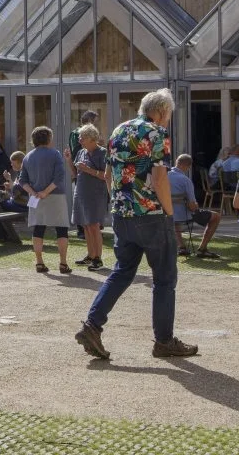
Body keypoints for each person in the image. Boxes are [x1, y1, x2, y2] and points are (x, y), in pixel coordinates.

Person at [75, 88, 197, 361]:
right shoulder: (157, 133)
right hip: (152, 215)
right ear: (162, 111)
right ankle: (164, 341)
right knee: (164, 279)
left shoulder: (119, 130)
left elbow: (108, 175)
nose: (167, 121)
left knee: (122, 272)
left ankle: (92, 325)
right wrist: (168, 213)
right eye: (168, 116)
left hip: (122, 213)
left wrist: (119, 203)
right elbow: (159, 179)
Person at [19, 126, 71, 274]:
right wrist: (45, 192)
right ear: (48, 138)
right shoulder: (55, 154)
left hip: (36, 198)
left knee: (38, 229)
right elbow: (59, 178)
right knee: (61, 229)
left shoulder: (28, 156)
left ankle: (39, 262)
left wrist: (35, 193)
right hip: (55, 196)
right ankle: (63, 263)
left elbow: (22, 180)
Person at [168, 154, 222, 259]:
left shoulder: (165, 176)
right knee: (216, 216)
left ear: (176, 162)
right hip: (186, 215)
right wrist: (196, 206)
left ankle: (181, 246)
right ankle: (202, 248)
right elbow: (192, 206)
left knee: (174, 216)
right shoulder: (185, 180)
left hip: (168, 214)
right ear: (188, 166)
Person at [71, 124, 109, 271]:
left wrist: (87, 169)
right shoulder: (81, 152)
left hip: (95, 195)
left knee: (94, 226)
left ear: (92, 138)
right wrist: (69, 160)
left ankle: (98, 259)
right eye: (80, 137)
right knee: (85, 225)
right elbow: (76, 173)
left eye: (83, 137)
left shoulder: (102, 153)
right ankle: (91, 255)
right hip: (81, 192)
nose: (80, 140)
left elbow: (105, 176)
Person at [66, 110, 100, 239]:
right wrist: (74, 171)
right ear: (90, 121)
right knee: (81, 200)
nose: (97, 124)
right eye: (96, 121)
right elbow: (76, 153)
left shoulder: (90, 135)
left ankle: (93, 226)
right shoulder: (76, 134)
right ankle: (82, 229)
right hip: (82, 170)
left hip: (91, 171)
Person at [0, 152, 30, 242]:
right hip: (18, 203)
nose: (11, 165)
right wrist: (10, 184)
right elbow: (15, 190)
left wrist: (10, 181)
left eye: (13, 163)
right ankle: (1, 235)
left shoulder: (25, 173)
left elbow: (18, 190)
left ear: (20, 163)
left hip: (23, 205)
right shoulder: (21, 172)